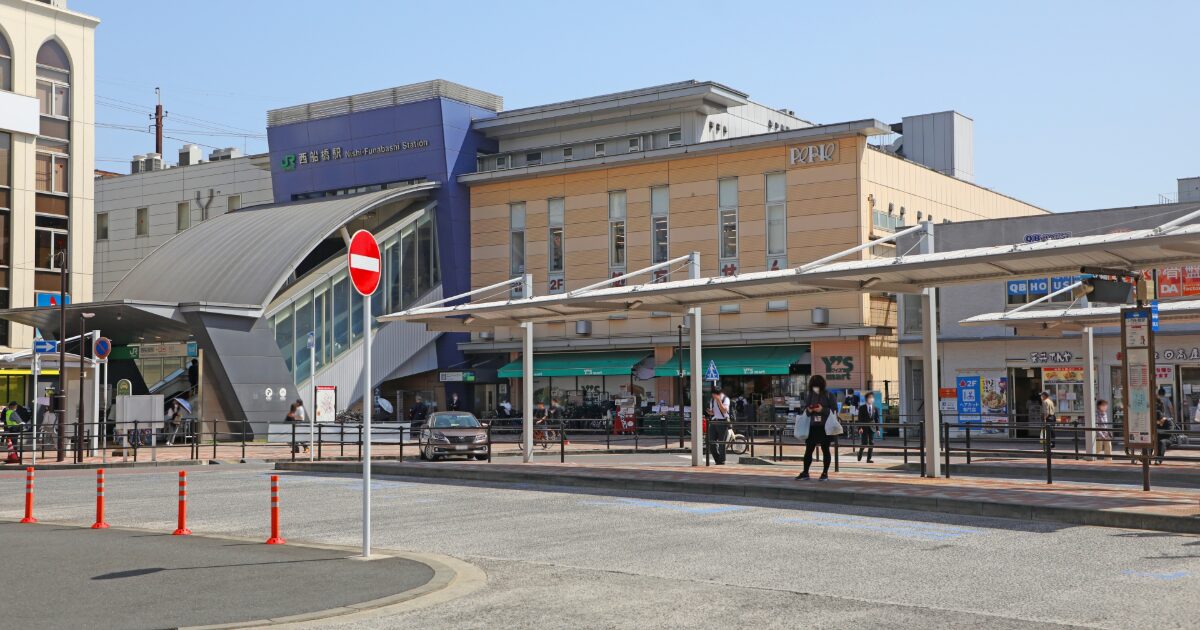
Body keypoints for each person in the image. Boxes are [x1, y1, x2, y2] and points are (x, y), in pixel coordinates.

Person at [797, 376, 837, 480]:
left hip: (825, 427)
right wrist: (808, 410)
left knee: (825, 449)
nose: (815, 388)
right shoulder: (810, 395)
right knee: (809, 449)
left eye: (817, 386)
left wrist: (822, 409)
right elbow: (805, 409)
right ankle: (805, 472)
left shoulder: (829, 395)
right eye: (813, 386)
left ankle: (825, 473)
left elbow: (834, 411)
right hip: (813, 426)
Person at [708, 385, 731, 465]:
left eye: (715, 394)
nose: (713, 396)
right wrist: (710, 412)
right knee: (711, 442)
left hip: (723, 422)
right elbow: (714, 412)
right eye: (712, 394)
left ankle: (722, 461)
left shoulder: (725, 399)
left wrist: (719, 401)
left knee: (722, 443)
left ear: (719, 393)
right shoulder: (712, 400)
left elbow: (724, 411)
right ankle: (717, 460)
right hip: (714, 421)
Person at [857, 392, 879, 463]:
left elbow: (876, 419)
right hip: (864, 427)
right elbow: (859, 419)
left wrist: (878, 429)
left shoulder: (875, 408)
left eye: (872, 397)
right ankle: (860, 452)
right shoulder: (862, 408)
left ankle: (868, 459)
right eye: (870, 397)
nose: (871, 399)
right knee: (864, 443)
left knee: (872, 443)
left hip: (872, 427)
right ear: (866, 399)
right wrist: (860, 428)